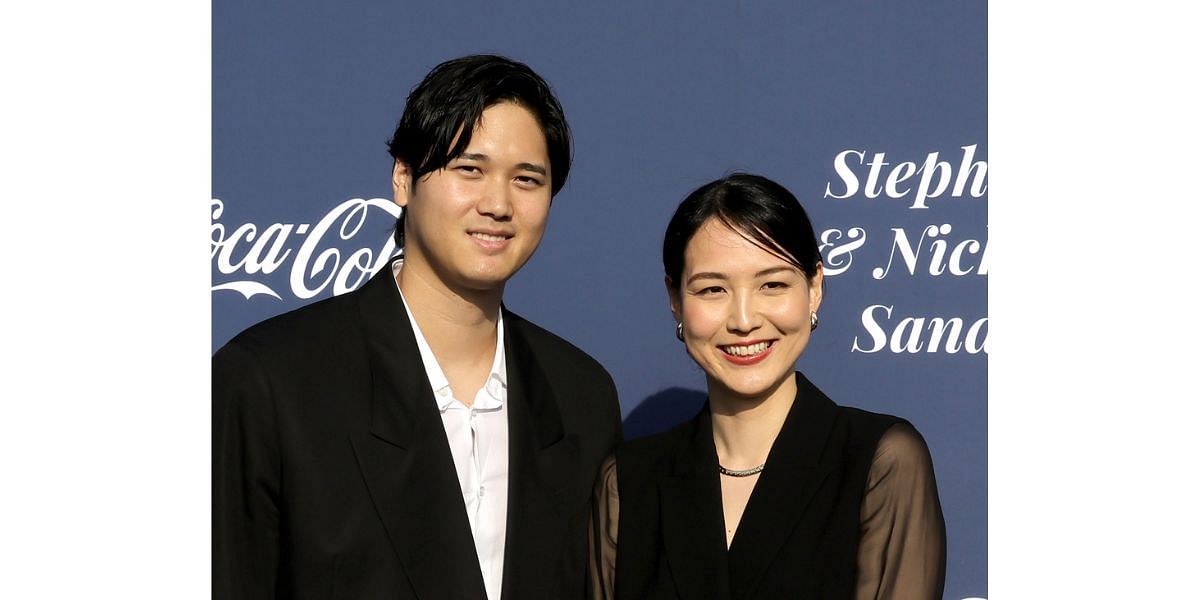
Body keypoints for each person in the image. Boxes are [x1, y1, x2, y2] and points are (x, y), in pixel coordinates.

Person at [213, 54, 623, 599]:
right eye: (468, 170)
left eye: (527, 179)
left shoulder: (580, 395)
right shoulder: (270, 380)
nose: (498, 203)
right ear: (403, 178)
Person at [588, 174, 945, 599]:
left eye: (772, 285)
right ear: (675, 299)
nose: (743, 319)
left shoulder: (879, 461)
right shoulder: (628, 483)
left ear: (814, 288)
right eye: (713, 289)